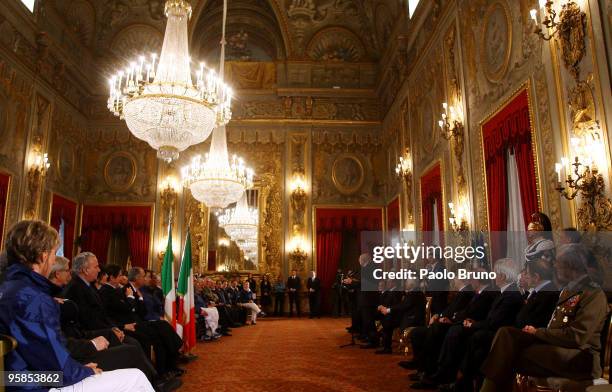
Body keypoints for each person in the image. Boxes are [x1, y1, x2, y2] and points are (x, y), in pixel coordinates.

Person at [0, 220, 154, 392]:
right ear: (43, 256)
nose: (52, 261)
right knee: (136, 378)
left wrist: (76, 370)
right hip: (32, 385)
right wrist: (83, 371)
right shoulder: (33, 297)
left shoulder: (10, 286)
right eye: (52, 254)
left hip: (13, 379)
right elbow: (55, 367)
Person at [480, 244, 608, 392]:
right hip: (559, 348)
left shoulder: (593, 294)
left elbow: (577, 337)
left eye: (559, 263)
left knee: (508, 354)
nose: (555, 266)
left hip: (581, 359)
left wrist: (538, 332)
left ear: (571, 266)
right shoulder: (568, 290)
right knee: (506, 333)